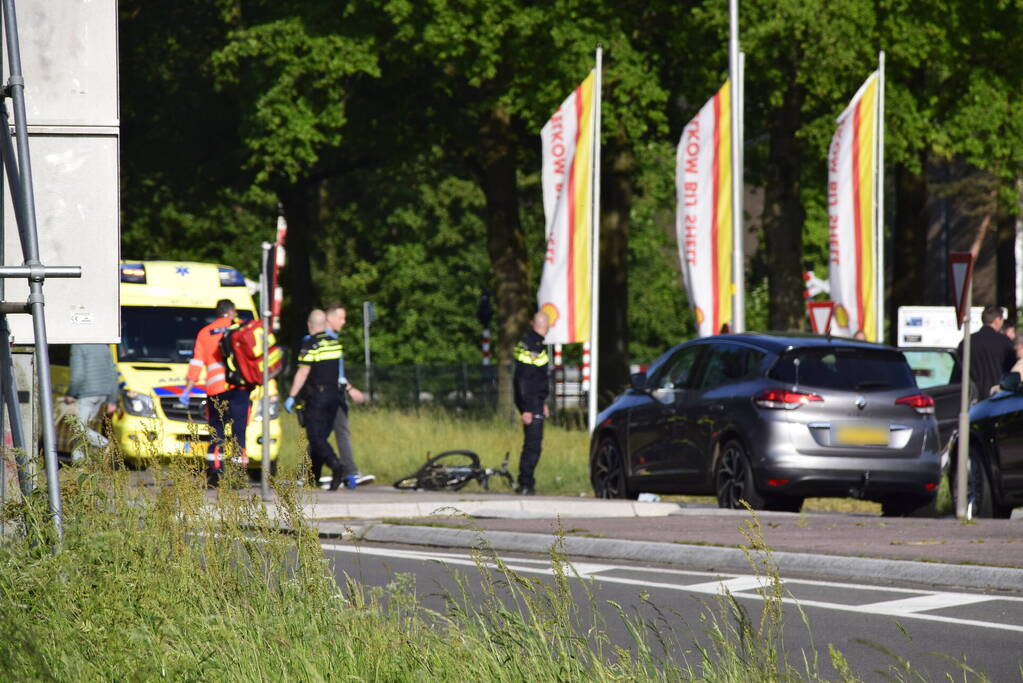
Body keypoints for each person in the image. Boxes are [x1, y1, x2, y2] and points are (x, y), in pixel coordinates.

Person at [179, 299, 251, 487]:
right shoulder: (241, 327)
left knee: (216, 431)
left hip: (215, 389)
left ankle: (216, 471)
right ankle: (238, 473)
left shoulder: (205, 333)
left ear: (218, 313)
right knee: (238, 432)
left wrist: (187, 390)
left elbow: (196, 364)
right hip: (239, 387)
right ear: (232, 312)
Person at [284, 309, 347, 491]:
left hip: (317, 397)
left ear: (309, 325)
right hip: (334, 396)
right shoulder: (334, 343)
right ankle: (314, 476)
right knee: (321, 437)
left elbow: (303, 371)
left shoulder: (311, 344)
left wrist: (291, 396)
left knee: (315, 436)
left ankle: (336, 465)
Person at [324, 304, 372, 488]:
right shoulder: (327, 341)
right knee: (336, 433)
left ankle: (306, 472)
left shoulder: (331, 339)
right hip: (332, 393)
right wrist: (350, 389)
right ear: (330, 318)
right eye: (341, 318)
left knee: (323, 434)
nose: (343, 322)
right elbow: (333, 373)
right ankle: (350, 471)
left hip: (333, 393)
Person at [513, 311, 550, 495]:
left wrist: (543, 402)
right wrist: (527, 408)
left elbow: (538, 379)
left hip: (536, 402)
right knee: (532, 446)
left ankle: (527, 481)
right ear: (544, 325)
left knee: (534, 445)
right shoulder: (532, 347)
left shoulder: (535, 344)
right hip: (531, 403)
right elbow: (526, 380)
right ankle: (525, 483)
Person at [63, 344, 119, 461]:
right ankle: (80, 462)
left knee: (79, 428)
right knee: (82, 429)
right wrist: (112, 399)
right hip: (103, 393)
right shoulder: (104, 347)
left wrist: (71, 394)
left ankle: (104, 444)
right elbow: (113, 374)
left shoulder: (78, 347)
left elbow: (77, 375)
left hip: (86, 394)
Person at [958, 304, 1016, 398]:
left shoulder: (966, 342)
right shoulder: (1005, 342)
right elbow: (1012, 371)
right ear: (997, 320)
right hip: (998, 396)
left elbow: (960, 370)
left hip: (971, 397)